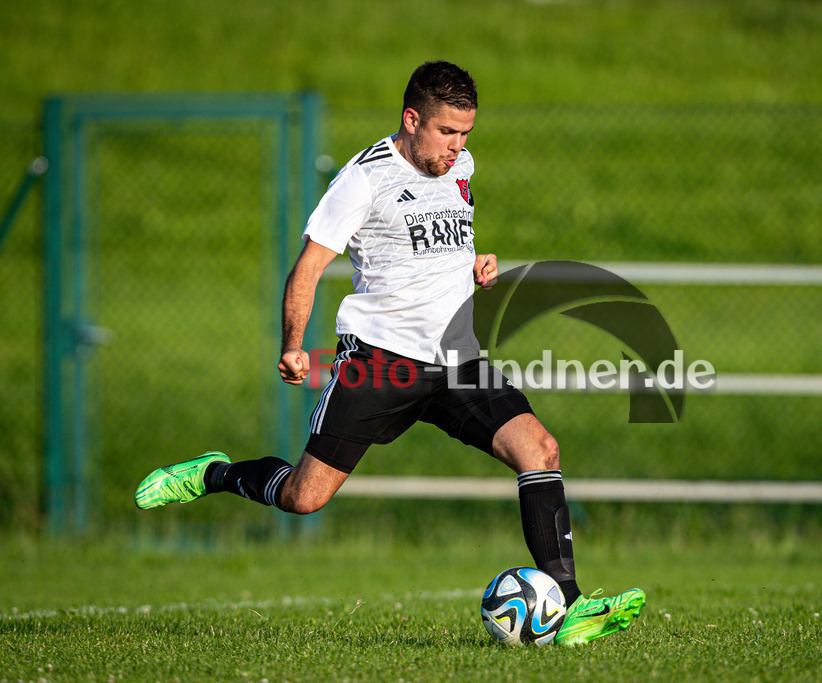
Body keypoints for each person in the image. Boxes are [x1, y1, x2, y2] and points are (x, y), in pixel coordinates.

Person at [134, 60, 645, 646]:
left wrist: (476, 264)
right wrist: (294, 346)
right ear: (412, 119)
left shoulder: (461, 168)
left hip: (457, 359)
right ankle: (216, 473)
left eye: (466, 135)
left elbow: (441, 239)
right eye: (447, 133)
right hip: (380, 364)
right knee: (305, 498)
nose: (457, 147)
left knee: (541, 449)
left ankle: (572, 606)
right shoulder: (363, 180)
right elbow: (307, 269)